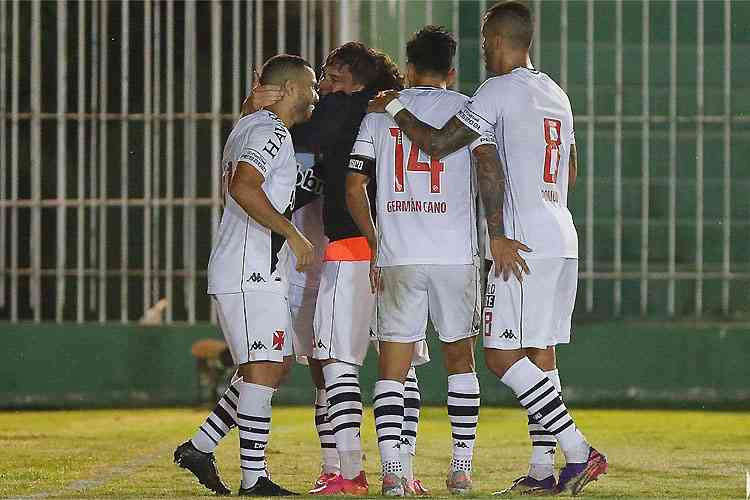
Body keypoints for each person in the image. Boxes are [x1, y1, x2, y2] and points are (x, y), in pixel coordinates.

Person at [368, 2, 608, 496]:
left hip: (519, 242)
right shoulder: (556, 93)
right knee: (541, 355)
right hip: (561, 233)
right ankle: (543, 471)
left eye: (483, 41)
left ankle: (580, 450)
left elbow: (437, 145)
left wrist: (392, 105)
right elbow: (571, 167)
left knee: (500, 356)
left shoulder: (495, 91)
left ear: (497, 40)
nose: (481, 50)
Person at [346, 26, 491, 497]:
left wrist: (374, 241)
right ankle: (462, 468)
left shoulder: (377, 116)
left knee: (392, 365)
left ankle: (392, 473)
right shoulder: (470, 110)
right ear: (452, 71)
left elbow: (353, 187)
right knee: (459, 359)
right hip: (455, 255)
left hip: (399, 255)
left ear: (408, 68)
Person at [174, 54, 317, 497]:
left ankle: (200, 447)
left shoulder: (254, 125)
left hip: (255, 268)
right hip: (246, 268)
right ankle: (254, 479)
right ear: (290, 89)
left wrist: (247, 106)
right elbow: (243, 185)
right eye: (311, 86)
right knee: (262, 368)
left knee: (274, 367)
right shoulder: (270, 130)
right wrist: (292, 232)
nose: (315, 95)